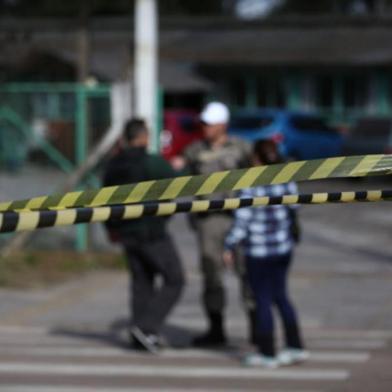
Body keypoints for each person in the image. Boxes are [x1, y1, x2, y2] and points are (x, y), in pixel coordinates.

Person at [223, 139, 308, 368]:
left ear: (256, 159)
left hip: (258, 252)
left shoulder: (250, 184)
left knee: (262, 301)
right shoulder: (286, 179)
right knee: (281, 297)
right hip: (282, 248)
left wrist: (229, 245)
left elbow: (242, 221)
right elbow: (294, 209)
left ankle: (267, 353)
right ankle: (295, 346)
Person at [103, 118, 185, 353]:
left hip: (125, 233)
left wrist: (111, 229)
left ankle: (140, 336)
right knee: (175, 279)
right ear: (143, 137)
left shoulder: (113, 165)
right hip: (151, 231)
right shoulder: (152, 163)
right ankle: (146, 326)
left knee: (142, 284)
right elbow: (177, 184)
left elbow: (103, 199)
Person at [181, 102, 253, 347]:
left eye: (210, 123)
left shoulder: (242, 148)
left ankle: (256, 327)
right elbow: (186, 178)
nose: (205, 128)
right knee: (211, 273)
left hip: (239, 217)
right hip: (209, 220)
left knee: (247, 271)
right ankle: (216, 329)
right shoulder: (194, 151)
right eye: (203, 123)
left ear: (223, 125)